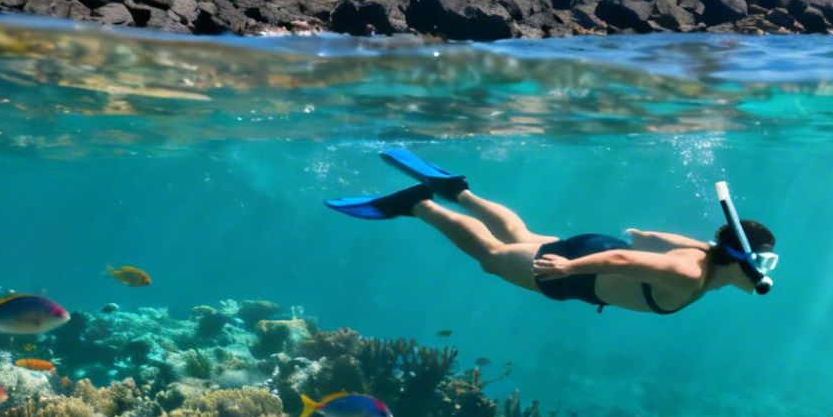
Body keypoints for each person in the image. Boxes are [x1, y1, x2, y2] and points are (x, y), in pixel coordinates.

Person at [327, 149, 777, 315]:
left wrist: (641, 232)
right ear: (743, 263)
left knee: (517, 232)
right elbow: (624, 261)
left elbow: (652, 241)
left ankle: (456, 190)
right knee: (490, 256)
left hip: (595, 247)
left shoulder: (704, 252)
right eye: (763, 261)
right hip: (581, 271)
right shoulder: (688, 275)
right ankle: (418, 204)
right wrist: (568, 266)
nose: (765, 272)